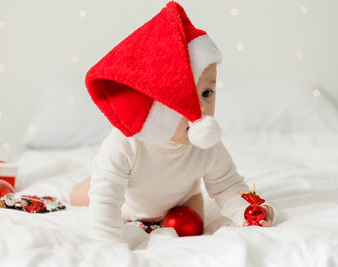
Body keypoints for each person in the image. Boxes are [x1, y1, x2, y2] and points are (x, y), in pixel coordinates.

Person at [70, 1, 275, 243]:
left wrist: (251, 211)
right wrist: (108, 243)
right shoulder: (126, 143)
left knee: (191, 218)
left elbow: (227, 185)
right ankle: (86, 184)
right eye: (184, 98)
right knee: (87, 193)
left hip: (180, 199)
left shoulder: (207, 145)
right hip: (128, 200)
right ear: (155, 107)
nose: (200, 109)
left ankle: (175, 215)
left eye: (207, 93)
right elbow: (106, 199)